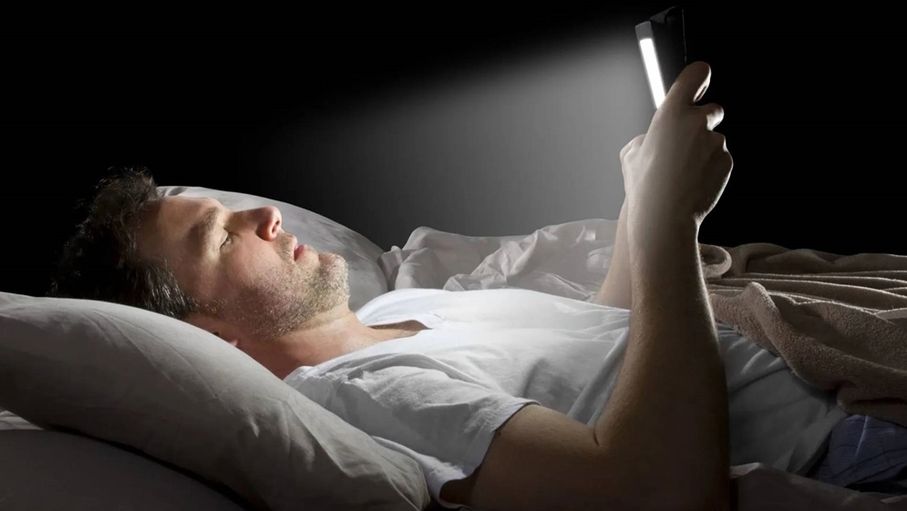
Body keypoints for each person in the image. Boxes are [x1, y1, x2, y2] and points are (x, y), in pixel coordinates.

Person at [51, 62, 837, 510]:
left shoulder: (397, 308)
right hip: (846, 444)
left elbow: (604, 348)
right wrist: (669, 225)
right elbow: (650, 492)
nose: (264, 214)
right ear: (206, 334)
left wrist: (641, 200)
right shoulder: (359, 394)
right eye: (221, 235)